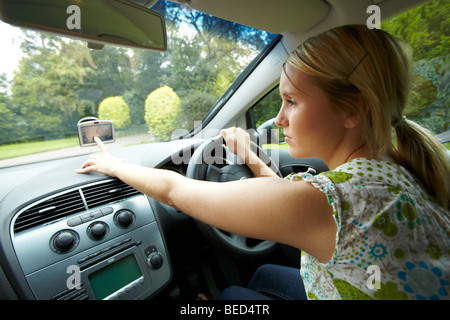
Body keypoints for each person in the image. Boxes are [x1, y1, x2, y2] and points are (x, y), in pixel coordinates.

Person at [78, 24, 450, 300]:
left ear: (353, 110)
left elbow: (175, 191)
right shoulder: (400, 164)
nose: (279, 119)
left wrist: (115, 165)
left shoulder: (329, 202)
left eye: (292, 101)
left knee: (227, 301)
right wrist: (251, 156)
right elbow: (287, 198)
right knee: (266, 275)